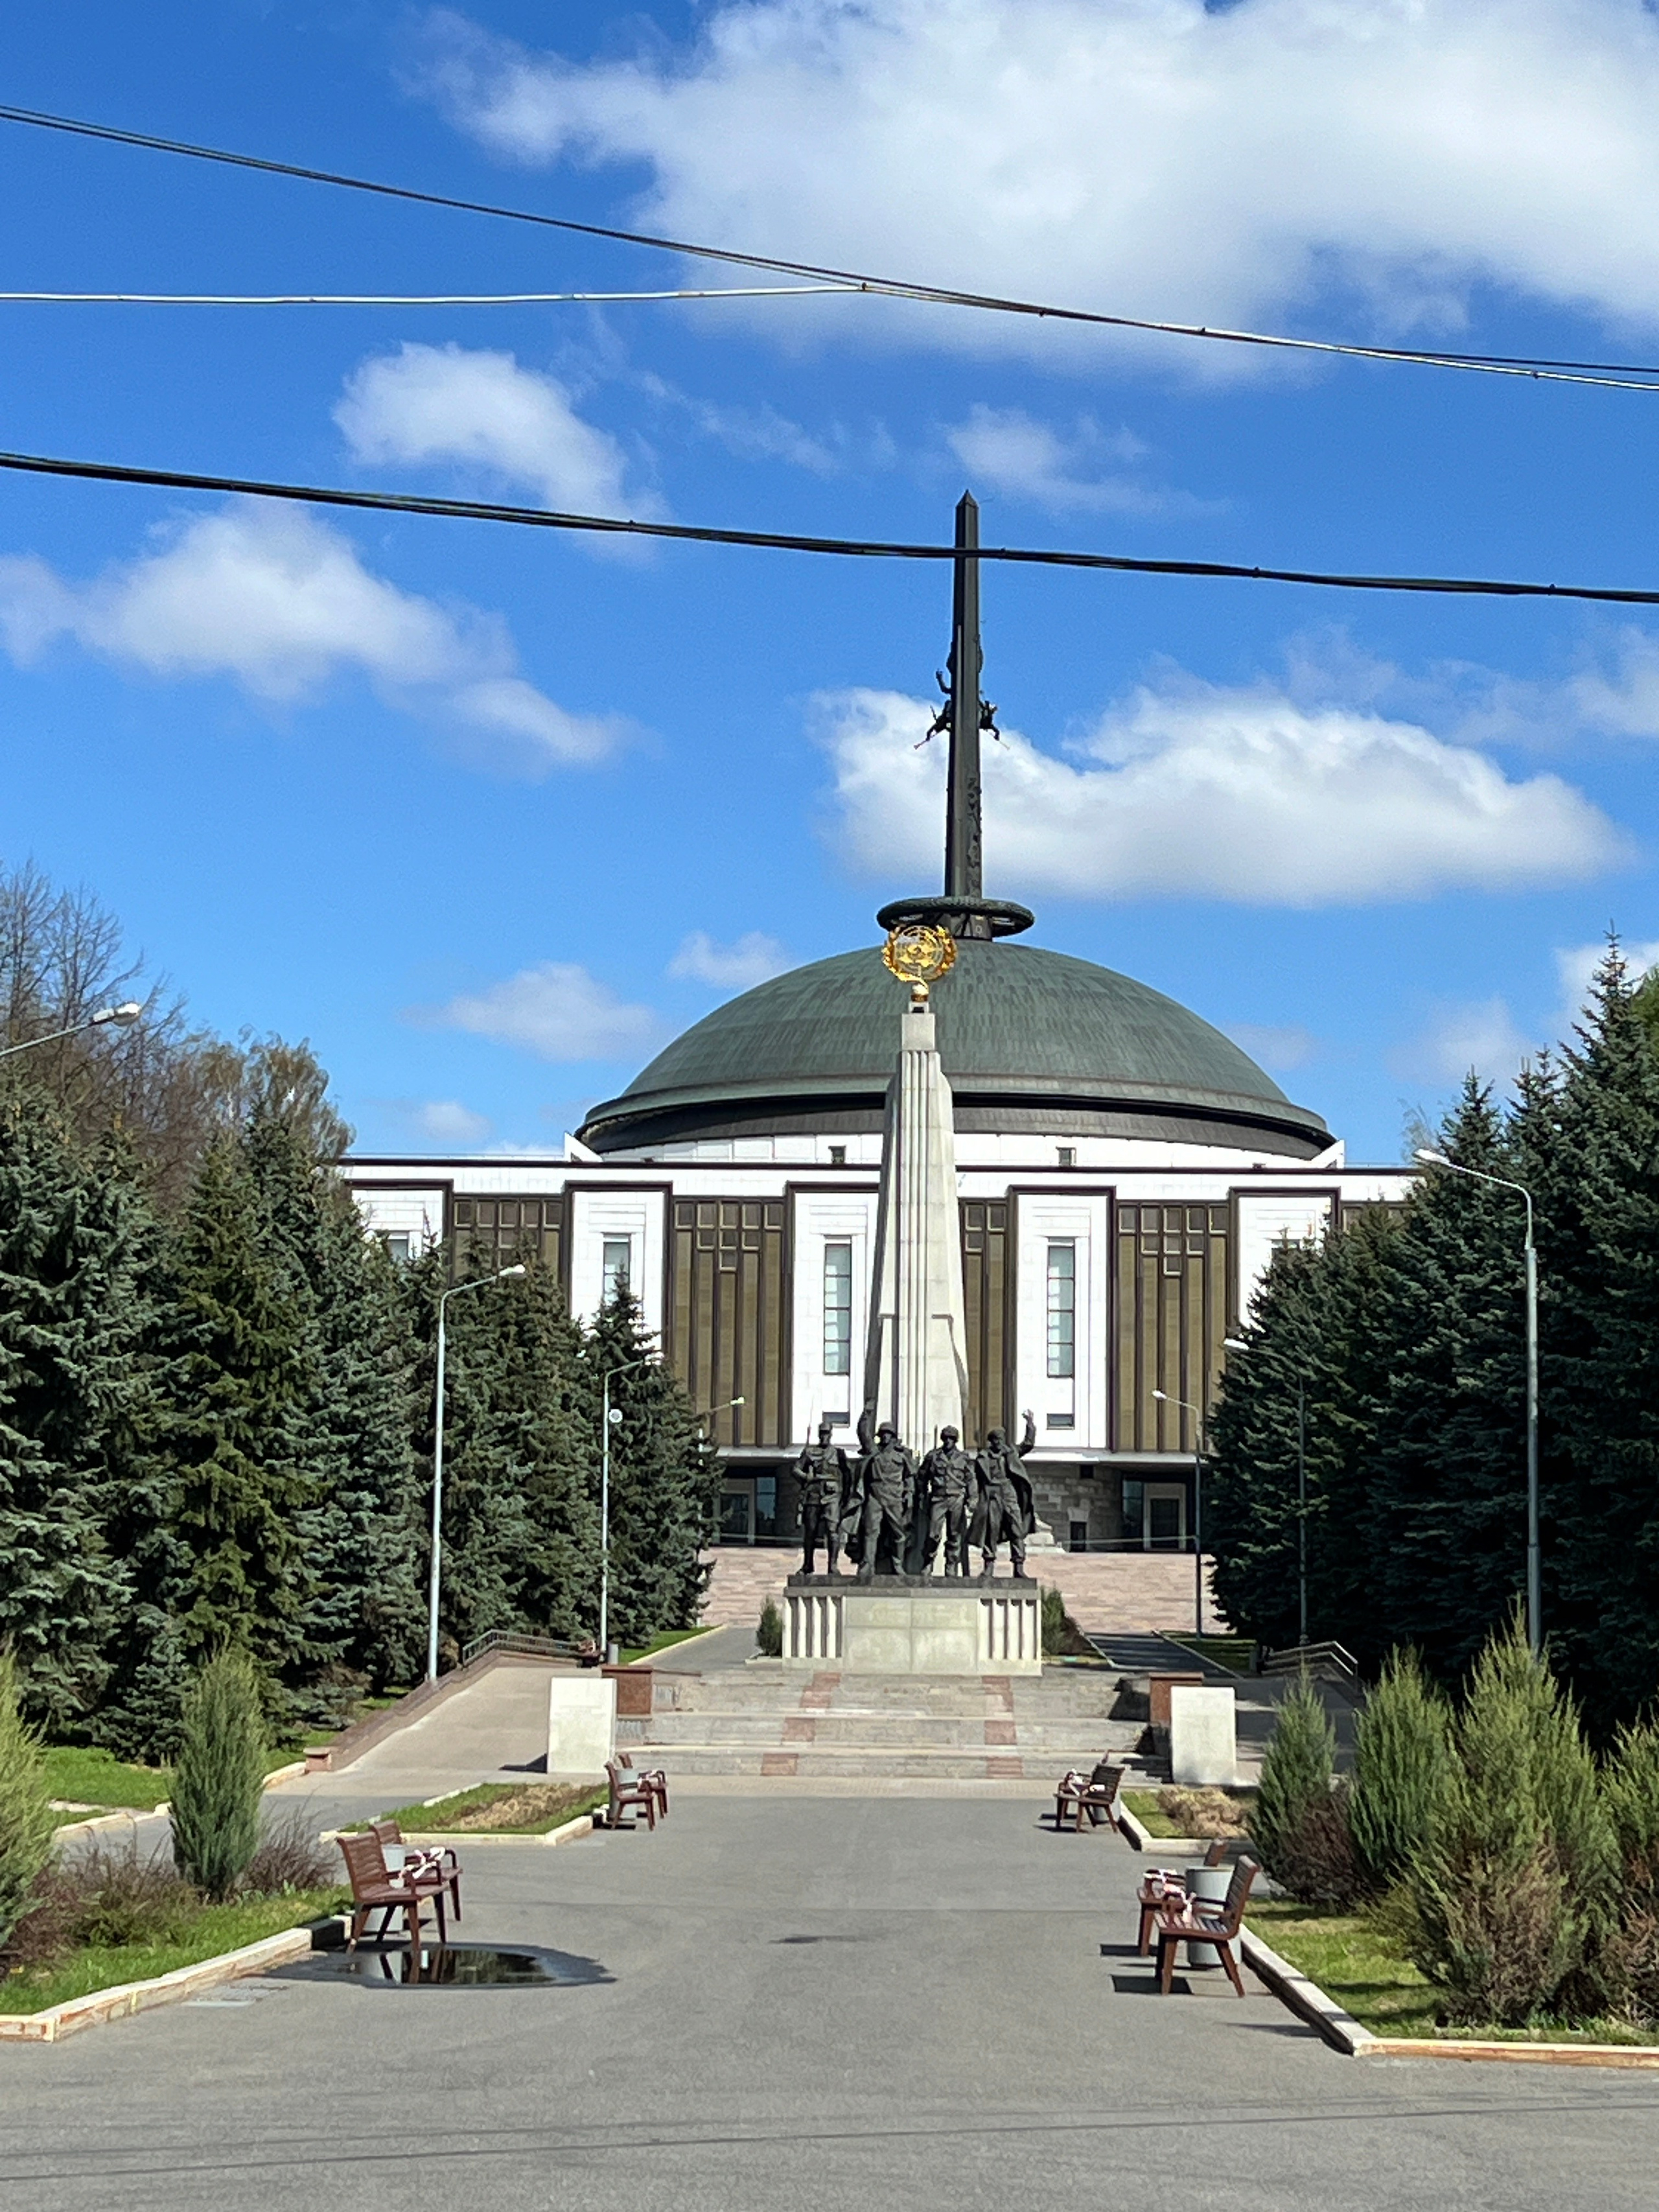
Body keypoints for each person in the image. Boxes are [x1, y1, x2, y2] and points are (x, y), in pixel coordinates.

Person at [971, 1411, 1038, 1580]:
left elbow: (1028, 1444)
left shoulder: (1011, 1452)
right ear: (991, 1441)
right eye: (996, 1440)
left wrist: (1030, 1424)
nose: (999, 1443)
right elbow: (975, 1480)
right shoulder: (983, 1458)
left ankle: (1019, 1566)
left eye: (1001, 1439)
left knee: (1016, 1529)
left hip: (1009, 1493)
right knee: (991, 1531)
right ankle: (988, 1566)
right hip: (991, 1495)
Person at [853, 1406, 917, 1580]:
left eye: (888, 1433)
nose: (885, 1436)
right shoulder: (874, 1452)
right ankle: (868, 1565)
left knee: (899, 1533)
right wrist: (865, 1415)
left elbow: (909, 1477)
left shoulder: (902, 1457)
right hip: (875, 1495)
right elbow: (863, 1434)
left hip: (894, 1497)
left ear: (893, 1436)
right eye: (882, 1433)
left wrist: (909, 1494)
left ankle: (898, 1565)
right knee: (870, 1532)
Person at [916, 1425, 975, 1577]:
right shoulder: (933, 1457)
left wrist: (973, 1497)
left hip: (957, 1499)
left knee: (954, 1535)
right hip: (938, 1498)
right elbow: (922, 1477)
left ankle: (951, 1565)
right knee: (933, 1534)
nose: (948, 1441)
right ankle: (928, 1562)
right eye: (946, 1438)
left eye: (951, 1438)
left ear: (955, 1440)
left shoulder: (963, 1458)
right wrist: (922, 1495)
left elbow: (970, 1480)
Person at [795, 1421, 851, 1576]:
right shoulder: (809, 1452)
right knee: (810, 1532)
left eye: (827, 1433)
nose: (824, 1436)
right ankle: (808, 1565)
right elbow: (796, 1469)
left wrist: (845, 1498)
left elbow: (847, 1476)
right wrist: (806, 1477)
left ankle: (833, 1566)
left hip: (832, 1496)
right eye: (822, 1433)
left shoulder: (839, 1454)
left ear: (831, 1434)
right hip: (813, 1494)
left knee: (833, 1531)